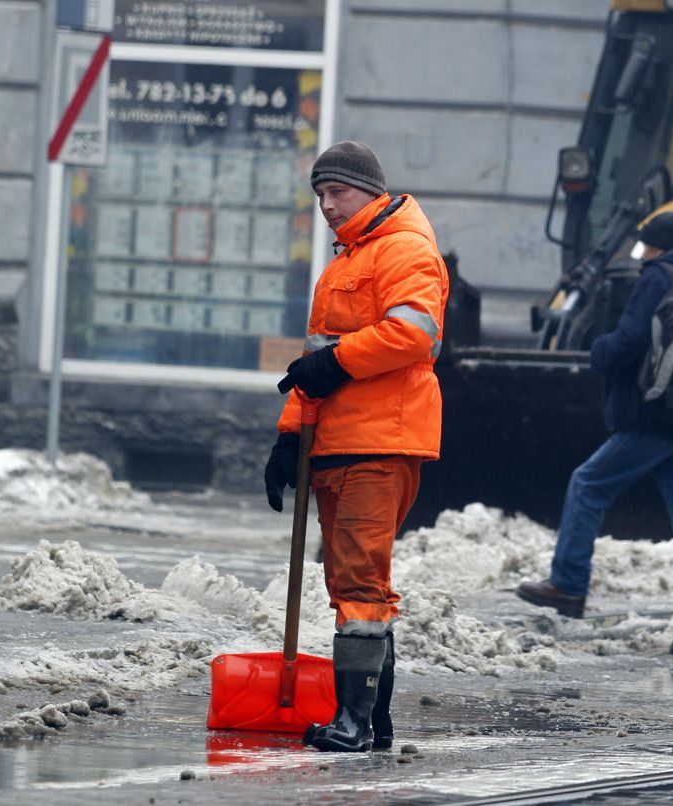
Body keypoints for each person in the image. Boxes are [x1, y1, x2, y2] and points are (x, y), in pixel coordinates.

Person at [264, 141, 449, 752]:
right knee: (349, 581)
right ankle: (373, 719)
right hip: (338, 442)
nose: (327, 206)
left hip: (381, 440)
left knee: (361, 583)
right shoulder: (345, 263)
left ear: (369, 189)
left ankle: (355, 721)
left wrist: (335, 363)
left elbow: (412, 332)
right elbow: (314, 367)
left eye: (336, 192)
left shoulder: (405, 249)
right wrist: (289, 438)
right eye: (319, 195)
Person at [515, 211, 673, 662]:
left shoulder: (658, 277)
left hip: (656, 420)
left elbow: (631, 340)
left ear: (653, 246)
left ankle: (569, 585)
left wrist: (596, 351)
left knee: (588, 483)